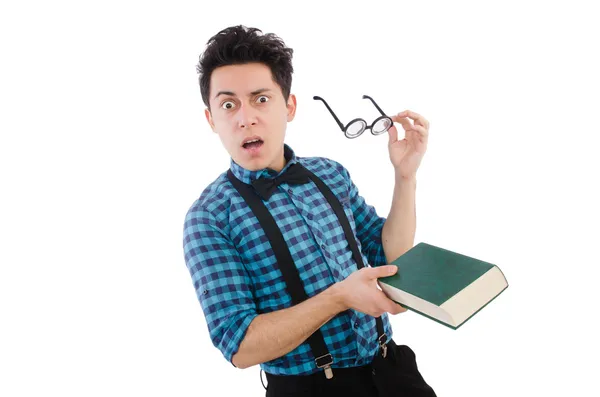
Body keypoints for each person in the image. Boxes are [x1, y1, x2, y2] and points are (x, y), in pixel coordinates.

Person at [182, 25, 434, 397]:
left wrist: (405, 176)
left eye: (261, 99)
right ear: (211, 120)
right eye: (229, 104)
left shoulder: (330, 174)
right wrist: (339, 297)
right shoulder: (209, 218)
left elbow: (390, 257)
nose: (245, 117)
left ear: (289, 106)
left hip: (392, 370)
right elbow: (240, 346)